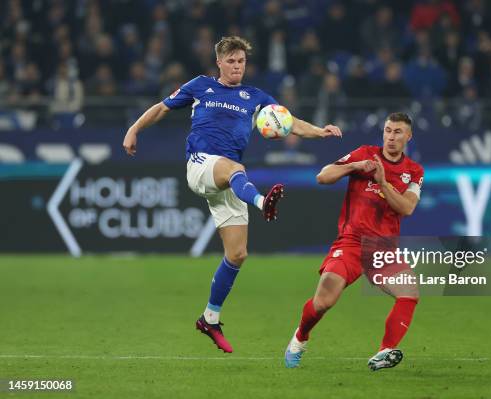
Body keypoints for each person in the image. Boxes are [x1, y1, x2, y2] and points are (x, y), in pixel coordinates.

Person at [122, 36, 341, 353]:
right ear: (220, 63)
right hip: (201, 165)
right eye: (232, 61)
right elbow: (161, 108)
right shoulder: (200, 87)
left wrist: (319, 131)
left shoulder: (254, 96)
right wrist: (134, 129)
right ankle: (262, 201)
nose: (238, 66)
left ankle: (209, 318)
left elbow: (288, 122)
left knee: (237, 254)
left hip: (227, 177)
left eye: (242, 61)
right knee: (236, 170)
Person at [284, 112, 423, 371]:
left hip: (383, 248)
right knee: (324, 301)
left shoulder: (414, 172)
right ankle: (301, 337)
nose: (391, 137)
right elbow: (322, 177)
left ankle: (384, 352)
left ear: (408, 136)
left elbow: (406, 208)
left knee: (409, 292)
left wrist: (383, 183)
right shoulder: (364, 153)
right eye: (388, 130)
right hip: (351, 242)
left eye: (397, 132)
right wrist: (354, 167)